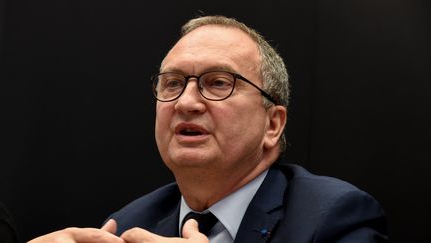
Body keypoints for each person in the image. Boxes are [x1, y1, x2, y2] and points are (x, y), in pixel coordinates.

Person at [28, 15, 388, 243]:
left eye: (218, 83)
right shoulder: (127, 224)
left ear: (273, 124)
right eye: (172, 83)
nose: (186, 102)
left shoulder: (333, 217)